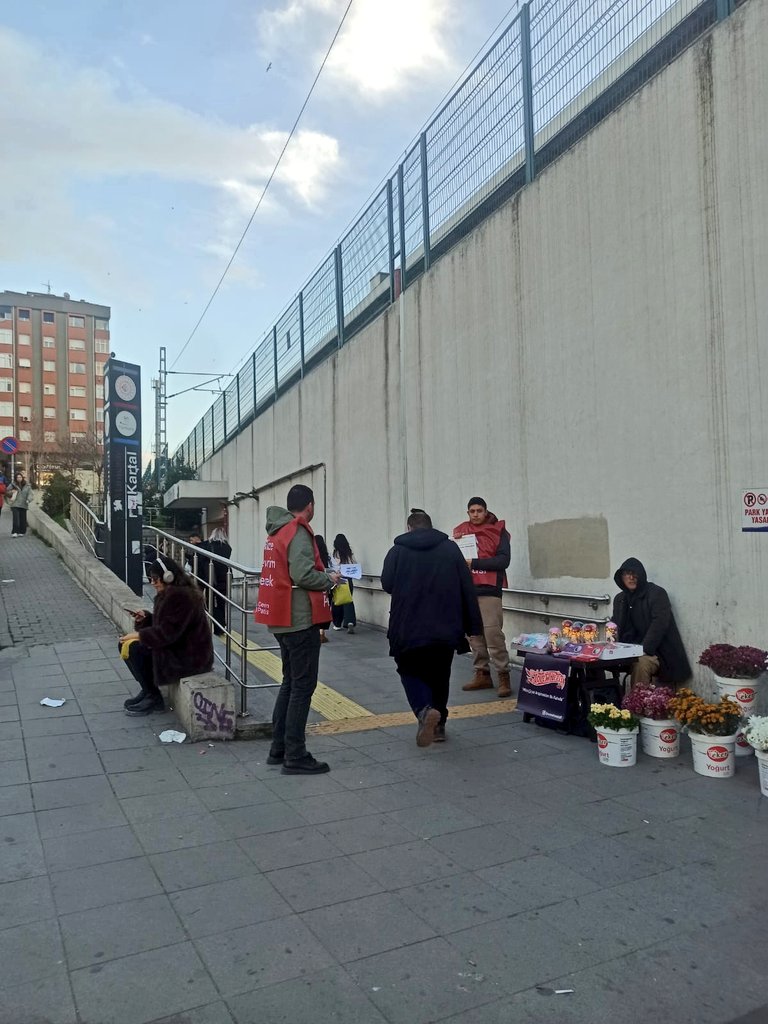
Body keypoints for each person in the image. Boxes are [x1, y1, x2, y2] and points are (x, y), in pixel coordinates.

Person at [255, 484, 340, 774]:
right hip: (298, 619)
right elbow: (303, 574)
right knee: (303, 686)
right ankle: (295, 754)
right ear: (310, 505)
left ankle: (278, 749)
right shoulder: (298, 531)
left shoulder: (277, 530)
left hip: (280, 617)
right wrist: (329, 580)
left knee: (290, 682)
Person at [382, 508, 482, 746]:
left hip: (408, 627)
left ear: (409, 528)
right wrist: (472, 625)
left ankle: (424, 710)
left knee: (408, 670)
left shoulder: (397, 551)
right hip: (445, 626)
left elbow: (387, 584)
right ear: (430, 526)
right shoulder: (450, 549)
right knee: (440, 674)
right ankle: (439, 727)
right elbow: (466, 586)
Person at [118, 554, 214, 716]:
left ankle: (154, 697)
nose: (152, 583)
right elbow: (165, 624)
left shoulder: (182, 597)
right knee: (125, 645)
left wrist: (139, 635)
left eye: (155, 579)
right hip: (178, 647)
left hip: (190, 657)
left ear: (168, 576)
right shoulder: (169, 594)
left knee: (136, 648)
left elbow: (169, 633)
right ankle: (148, 689)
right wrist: (146, 618)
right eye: (150, 579)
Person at [453, 496, 512, 697]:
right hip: (468, 590)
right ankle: (482, 674)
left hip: (489, 590)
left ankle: (503, 674)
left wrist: (474, 564)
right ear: (468, 513)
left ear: (486, 511)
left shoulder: (499, 531)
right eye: (472, 511)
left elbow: (503, 561)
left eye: (479, 510)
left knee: (493, 634)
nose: (476, 514)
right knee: (474, 636)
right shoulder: (461, 531)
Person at [612, 557, 692, 688]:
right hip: (628, 650)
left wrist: (642, 649)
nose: (631, 578)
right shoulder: (620, 599)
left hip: (658, 653)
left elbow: (659, 625)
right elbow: (615, 624)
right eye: (627, 574)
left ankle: (637, 705)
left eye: (634, 574)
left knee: (641, 664)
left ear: (641, 575)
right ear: (621, 577)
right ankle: (602, 704)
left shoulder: (656, 594)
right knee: (595, 660)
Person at [190, 529, 233, 636]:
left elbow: (199, 560)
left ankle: (219, 625)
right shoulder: (228, 548)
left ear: (212, 535)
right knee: (222, 603)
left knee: (210, 603)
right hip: (225, 578)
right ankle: (222, 624)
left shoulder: (207, 546)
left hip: (212, 579)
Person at [330, 533, 357, 633]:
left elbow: (333, 566)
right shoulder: (349, 553)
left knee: (337, 601)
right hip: (348, 579)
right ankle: (350, 621)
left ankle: (337, 624)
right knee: (348, 600)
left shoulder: (335, 553)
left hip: (339, 579)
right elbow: (354, 564)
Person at [314, 535, 332, 644]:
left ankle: (316, 631)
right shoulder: (327, 556)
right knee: (325, 607)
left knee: (316, 608)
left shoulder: (312, 555)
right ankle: (322, 633)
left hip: (316, 585)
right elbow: (332, 568)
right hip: (326, 585)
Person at [7, 472, 32, 537]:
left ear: (22, 478)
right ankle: (15, 532)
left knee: (23, 518)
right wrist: (11, 492)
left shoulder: (27, 485)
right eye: (17, 477)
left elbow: (30, 494)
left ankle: (22, 531)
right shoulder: (12, 485)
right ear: (15, 478)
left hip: (24, 504)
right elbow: (6, 492)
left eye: (20, 477)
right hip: (15, 504)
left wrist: (28, 500)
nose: (19, 479)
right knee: (16, 519)